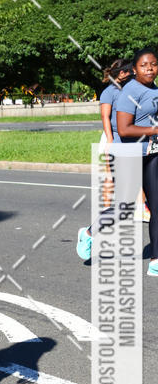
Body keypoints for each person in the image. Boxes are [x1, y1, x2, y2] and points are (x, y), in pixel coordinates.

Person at [76, 59, 133, 261]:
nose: (132, 73)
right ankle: (89, 233)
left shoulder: (137, 88)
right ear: (120, 73)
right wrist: (109, 140)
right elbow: (105, 118)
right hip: (118, 145)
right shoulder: (109, 92)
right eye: (128, 71)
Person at [115, 47, 158, 276]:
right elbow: (123, 129)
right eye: (144, 65)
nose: (149, 68)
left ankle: (155, 261)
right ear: (134, 69)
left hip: (152, 153)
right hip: (130, 154)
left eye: (153, 64)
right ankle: (90, 234)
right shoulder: (130, 92)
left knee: (156, 206)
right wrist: (155, 129)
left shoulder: (154, 89)